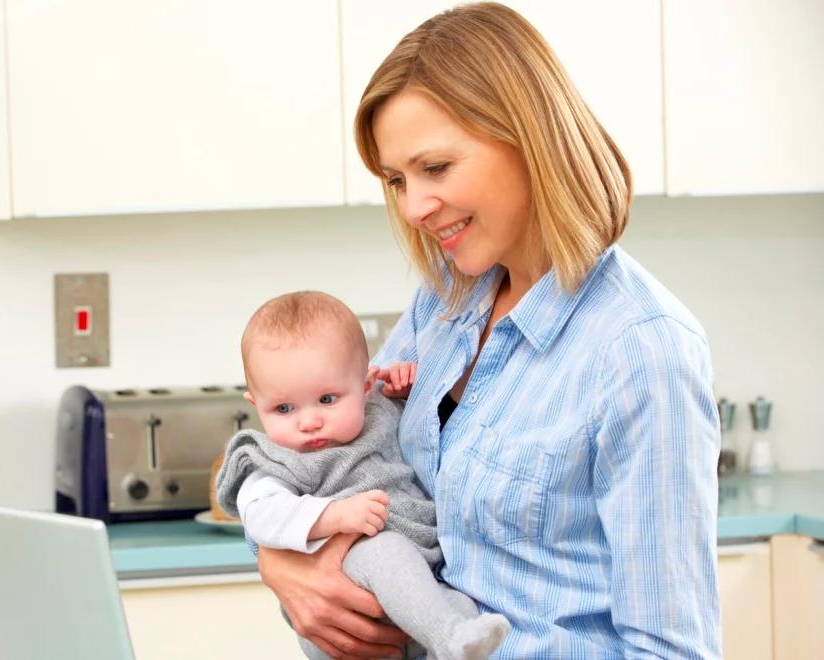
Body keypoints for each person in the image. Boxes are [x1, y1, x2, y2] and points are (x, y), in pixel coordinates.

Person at [254, 3, 722, 659]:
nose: (414, 207)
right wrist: (280, 564)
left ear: (527, 138)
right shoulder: (443, 304)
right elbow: (322, 455)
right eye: (396, 180)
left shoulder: (640, 351)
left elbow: (671, 649)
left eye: (435, 168)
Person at [215, 291, 508, 660]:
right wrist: (333, 516)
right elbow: (260, 516)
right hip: (347, 602)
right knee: (384, 548)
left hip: (417, 595)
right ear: (255, 406)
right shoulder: (274, 460)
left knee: (463, 609)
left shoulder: (381, 413)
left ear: (367, 387)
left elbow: (433, 427)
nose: (308, 422)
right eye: (283, 408)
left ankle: (453, 638)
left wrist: (409, 391)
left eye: (327, 399)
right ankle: (449, 636)